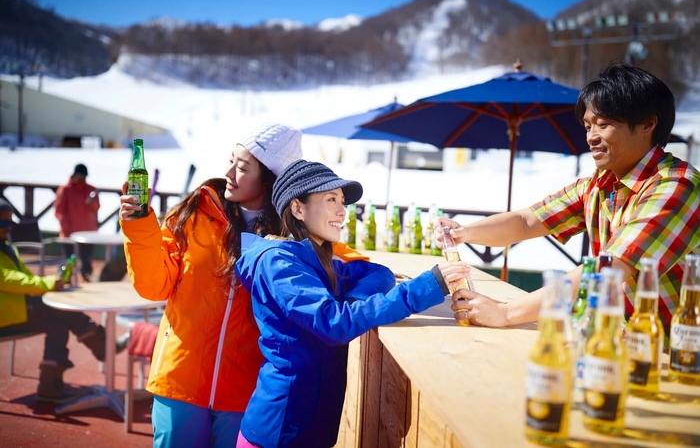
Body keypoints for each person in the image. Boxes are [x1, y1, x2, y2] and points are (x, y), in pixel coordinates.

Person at [438, 62, 700, 334]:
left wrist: (505, 312)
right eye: (588, 126)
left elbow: (609, 269)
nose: (591, 137)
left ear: (647, 123)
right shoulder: (598, 185)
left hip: (676, 352)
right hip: (618, 341)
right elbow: (526, 221)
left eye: (604, 124)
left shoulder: (677, 186)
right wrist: (464, 233)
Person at [234, 160, 470, 448]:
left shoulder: (318, 261)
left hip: (309, 426)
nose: (342, 210)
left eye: (342, 201)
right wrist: (426, 286)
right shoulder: (278, 263)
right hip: (279, 429)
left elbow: (378, 273)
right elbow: (334, 323)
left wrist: (353, 301)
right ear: (297, 209)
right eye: (330, 199)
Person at [120, 123, 307, 447]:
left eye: (243, 166)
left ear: (269, 178)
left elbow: (345, 260)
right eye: (231, 160)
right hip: (180, 381)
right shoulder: (196, 212)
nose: (229, 172)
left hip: (245, 391)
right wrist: (139, 227)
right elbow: (154, 286)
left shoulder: (292, 235)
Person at [0, 198, 126, 404]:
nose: (7, 227)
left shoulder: (7, 248)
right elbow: (8, 279)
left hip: (18, 309)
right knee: (56, 309)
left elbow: (25, 279)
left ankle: (49, 387)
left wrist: (51, 282)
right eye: (2, 223)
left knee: (56, 322)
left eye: (10, 222)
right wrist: (50, 283)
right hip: (6, 315)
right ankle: (102, 346)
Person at [54, 163, 100, 282]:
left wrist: (92, 203)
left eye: (84, 176)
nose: (82, 179)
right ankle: (64, 279)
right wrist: (65, 226)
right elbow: (59, 210)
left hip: (87, 231)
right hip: (69, 232)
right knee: (68, 259)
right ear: (74, 175)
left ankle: (86, 277)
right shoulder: (65, 189)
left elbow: (96, 208)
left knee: (87, 260)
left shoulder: (91, 189)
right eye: (80, 176)